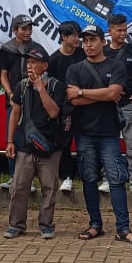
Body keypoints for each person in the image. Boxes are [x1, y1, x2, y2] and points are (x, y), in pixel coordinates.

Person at [67, 25, 132, 246]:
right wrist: (104, 95)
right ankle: (95, 225)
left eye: (93, 40)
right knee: (90, 180)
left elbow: (115, 93)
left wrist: (83, 92)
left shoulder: (116, 65)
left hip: (109, 133)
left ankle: (123, 228)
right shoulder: (75, 69)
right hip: (84, 133)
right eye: (85, 41)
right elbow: (73, 100)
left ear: (103, 41)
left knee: (117, 180)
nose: (88, 45)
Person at [4, 46, 68, 239]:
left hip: (50, 146)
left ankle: (46, 225)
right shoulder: (21, 86)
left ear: (45, 65)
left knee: (49, 187)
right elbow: (15, 113)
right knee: (19, 187)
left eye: (34, 62)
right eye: (28, 62)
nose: (30, 66)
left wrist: (41, 89)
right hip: (25, 145)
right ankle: (16, 225)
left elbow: (54, 112)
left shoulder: (56, 86)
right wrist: (9, 141)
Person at [0, 14, 46, 190]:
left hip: (33, 99)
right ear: (14, 30)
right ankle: (13, 176)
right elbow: (2, 74)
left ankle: (32, 178)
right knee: (13, 137)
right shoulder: (7, 49)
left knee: (32, 136)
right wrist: (10, 94)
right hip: (14, 99)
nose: (27, 32)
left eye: (29, 28)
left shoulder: (37, 48)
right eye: (23, 28)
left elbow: (44, 73)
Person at [105, 14, 132, 195]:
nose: (123, 33)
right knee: (108, 144)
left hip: (129, 103)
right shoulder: (103, 51)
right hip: (107, 105)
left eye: (125, 30)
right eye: (119, 30)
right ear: (110, 30)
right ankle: (108, 177)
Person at [48, 21, 83, 192]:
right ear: (64, 37)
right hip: (64, 109)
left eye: (78, 35)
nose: (78, 39)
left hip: (85, 105)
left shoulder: (84, 55)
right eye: (74, 35)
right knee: (65, 143)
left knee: (86, 142)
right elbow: (51, 86)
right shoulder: (53, 59)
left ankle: (88, 175)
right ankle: (66, 176)